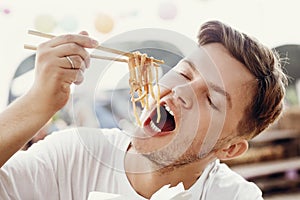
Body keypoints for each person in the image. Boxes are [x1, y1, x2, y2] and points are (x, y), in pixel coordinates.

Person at [0, 21, 287, 200]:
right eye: (184, 74)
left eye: (212, 99)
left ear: (230, 149)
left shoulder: (234, 197)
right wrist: (36, 104)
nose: (181, 92)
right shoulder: (73, 155)